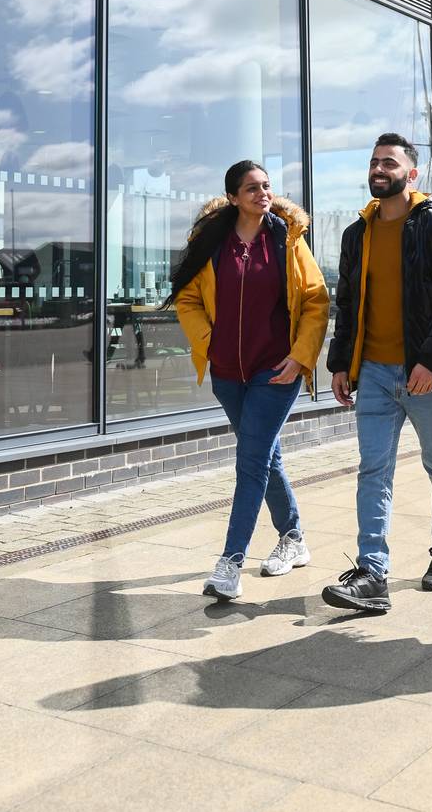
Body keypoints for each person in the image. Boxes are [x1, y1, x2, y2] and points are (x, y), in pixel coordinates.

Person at [321, 133, 432, 613]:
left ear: (412, 174)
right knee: (373, 470)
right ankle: (372, 572)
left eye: (388, 163)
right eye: (373, 162)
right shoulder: (357, 233)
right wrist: (342, 363)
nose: (378, 169)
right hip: (371, 373)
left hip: (425, 375)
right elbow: (346, 304)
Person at [172, 160, 330, 600]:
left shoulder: (286, 239)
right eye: (251, 188)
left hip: (275, 372)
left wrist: (301, 358)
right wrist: (211, 340)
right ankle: (293, 536)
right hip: (226, 374)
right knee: (265, 457)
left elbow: (316, 300)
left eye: (266, 186)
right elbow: (187, 298)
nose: (263, 193)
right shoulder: (213, 243)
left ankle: (230, 562)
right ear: (233, 197)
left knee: (250, 461)